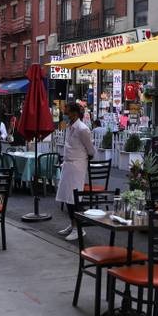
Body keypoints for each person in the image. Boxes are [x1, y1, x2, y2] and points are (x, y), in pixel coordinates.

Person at [56, 102, 96, 241]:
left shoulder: (82, 129)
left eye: (66, 111)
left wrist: (82, 158)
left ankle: (79, 227)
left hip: (77, 166)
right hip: (68, 164)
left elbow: (90, 149)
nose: (64, 113)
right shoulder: (69, 127)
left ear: (74, 113)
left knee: (74, 198)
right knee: (67, 197)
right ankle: (72, 223)